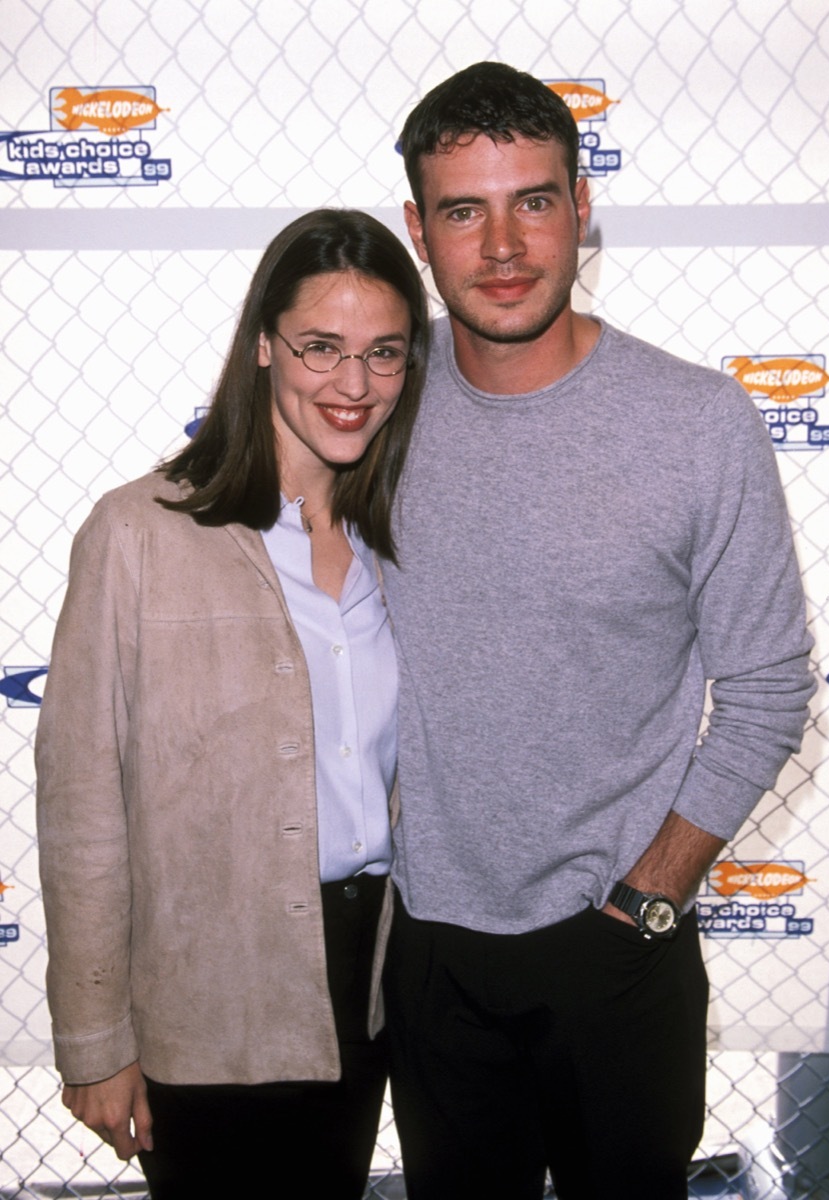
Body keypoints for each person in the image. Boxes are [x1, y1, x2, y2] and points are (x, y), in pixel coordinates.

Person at [380, 62, 816, 1200]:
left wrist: (650, 894)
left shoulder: (697, 423)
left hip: (621, 943)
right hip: (428, 941)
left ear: (582, 207)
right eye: (465, 210)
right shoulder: (373, 404)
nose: (505, 245)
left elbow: (769, 690)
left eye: (533, 199)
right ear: (417, 232)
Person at [35, 208, 429, 1199]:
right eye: (321, 348)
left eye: (384, 353)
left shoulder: (406, 541)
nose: (353, 384)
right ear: (263, 344)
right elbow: (81, 804)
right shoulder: (139, 534)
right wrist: (93, 1039)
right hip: (206, 996)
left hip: (374, 983)